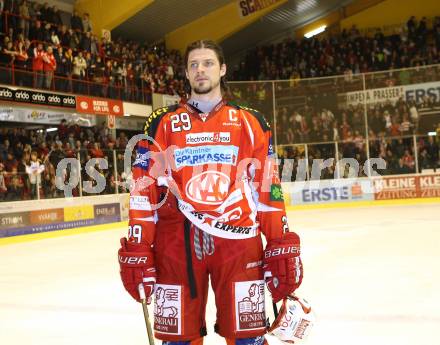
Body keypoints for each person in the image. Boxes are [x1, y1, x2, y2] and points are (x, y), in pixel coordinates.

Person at [117, 40, 303, 344]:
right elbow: (143, 189)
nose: (200, 70)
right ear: (187, 74)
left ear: (223, 69)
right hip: (175, 244)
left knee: (248, 336)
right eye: (193, 65)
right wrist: (139, 246)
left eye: (207, 63)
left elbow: (268, 188)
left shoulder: (251, 121)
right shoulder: (160, 122)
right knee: (177, 339)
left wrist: (279, 242)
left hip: (239, 242)